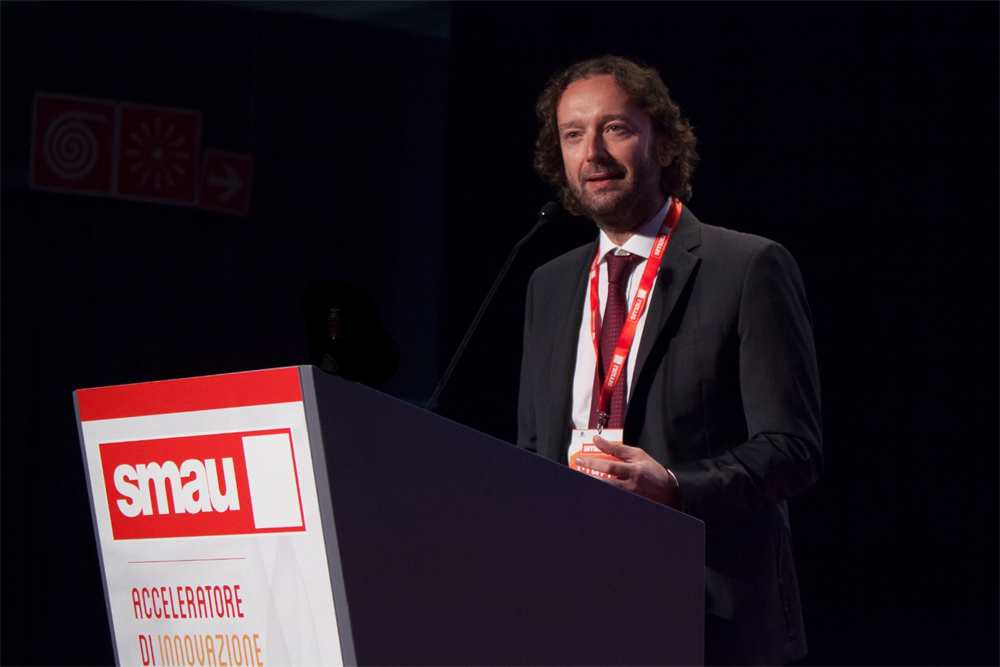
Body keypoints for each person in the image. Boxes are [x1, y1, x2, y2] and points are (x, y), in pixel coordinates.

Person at [517, 55, 822, 666]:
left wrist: (676, 488)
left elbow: (792, 449)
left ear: (664, 144)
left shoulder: (747, 267)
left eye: (615, 128)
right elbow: (531, 448)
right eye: (573, 134)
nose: (592, 153)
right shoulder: (547, 285)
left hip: (711, 613)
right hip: (579, 604)